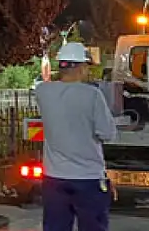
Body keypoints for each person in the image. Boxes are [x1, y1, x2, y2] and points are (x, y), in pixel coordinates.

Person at [34, 42, 118, 231]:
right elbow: (108, 133)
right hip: (87, 179)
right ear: (80, 67)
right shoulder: (92, 95)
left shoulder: (43, 92)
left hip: (53, 179)